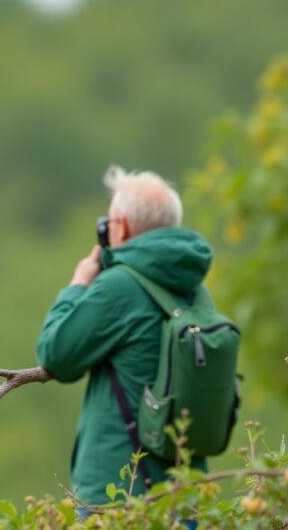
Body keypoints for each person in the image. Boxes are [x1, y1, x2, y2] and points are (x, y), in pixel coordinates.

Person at [36, 164, 213, 508]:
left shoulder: (119, 287)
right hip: (189, 492)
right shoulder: (197, 290)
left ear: (124, 228)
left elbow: (55, 355)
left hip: (120, 493)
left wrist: (77, 285)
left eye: (109, 224)